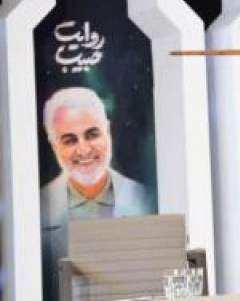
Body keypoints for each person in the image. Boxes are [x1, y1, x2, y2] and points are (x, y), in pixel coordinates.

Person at [40, 86, 156, 301]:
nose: (84, 150)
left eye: (92, 134)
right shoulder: (36, 210)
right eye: (70, 140)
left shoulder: (148, 200)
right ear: (54, 145)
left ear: (108, 132)